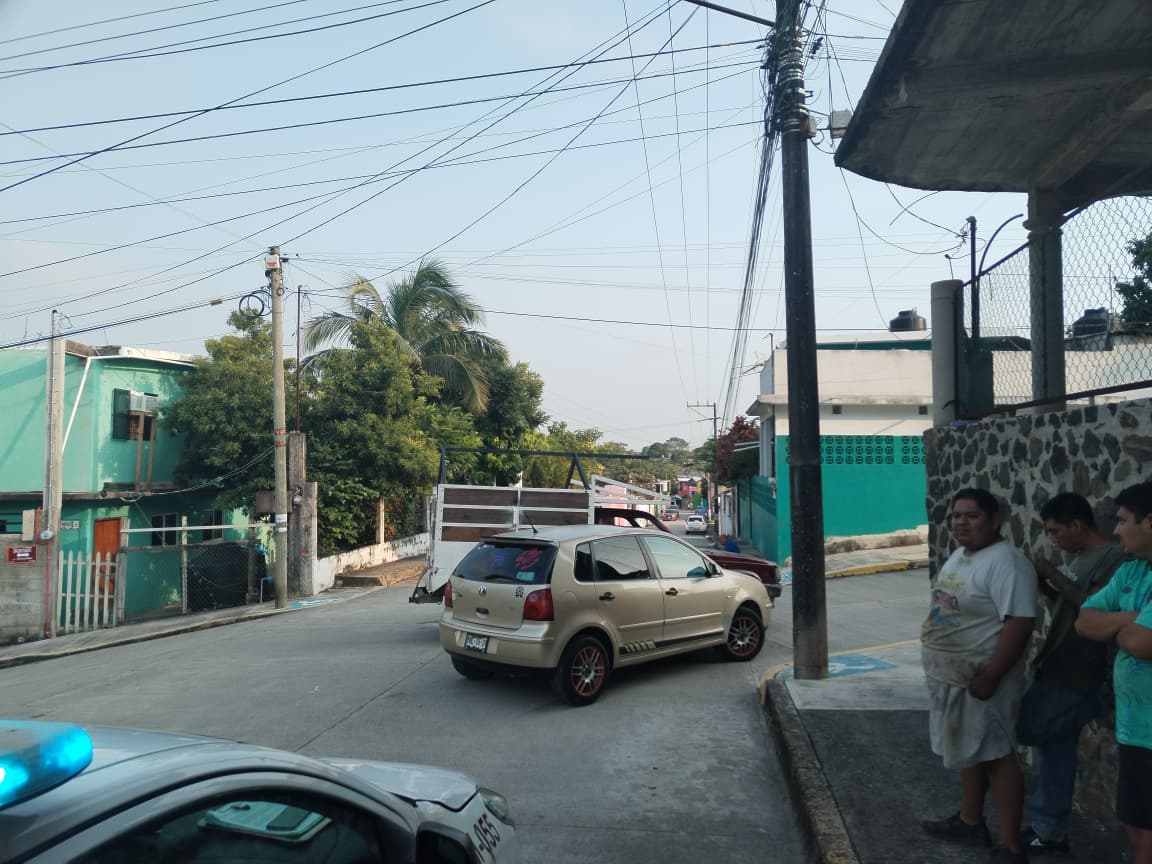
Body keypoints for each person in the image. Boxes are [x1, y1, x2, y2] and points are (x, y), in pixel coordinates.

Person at [920, 488, 1038, 864]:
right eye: (956, 516)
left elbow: (1019, 621)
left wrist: (991, 675)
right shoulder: (960, 555)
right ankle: (970, 821)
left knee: (997, 755)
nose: (961, 523)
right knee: (971, 752)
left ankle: (1010, 844)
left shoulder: (1007, 563)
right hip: (953, 679)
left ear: (994, 520)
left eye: (971, 516)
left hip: (984, 679)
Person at [1015, 492, 1125, 855]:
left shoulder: (1112, 558)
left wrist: (1051, 571)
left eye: (1056, 531)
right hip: (1062, 664)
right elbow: (1068, 605)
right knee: (1053, 745)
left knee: (1046, 736)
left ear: (1077, 525)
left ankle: (1049, 828)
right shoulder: (1080, 559)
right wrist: (1045, 586)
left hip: (1082, 671)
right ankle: (1048, 828)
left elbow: (1092, 607)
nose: (1053, 539)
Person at [1076, 482, 1152, 864]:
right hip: (1136, 729)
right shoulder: (1132, 571)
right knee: (1137, 829)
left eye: (1123, 521)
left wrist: (1120, 628)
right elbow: (1085, 620)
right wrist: (1133, 619)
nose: (1117, 530)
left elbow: (1141, 643)